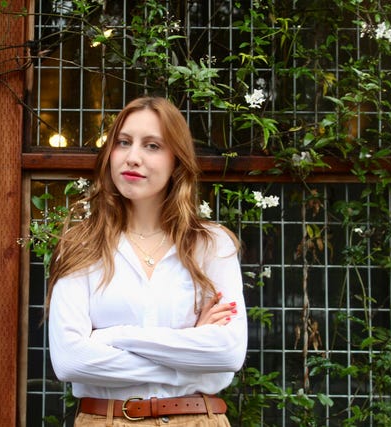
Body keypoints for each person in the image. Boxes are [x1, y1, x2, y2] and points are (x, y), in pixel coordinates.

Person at [47, 96, 247, 426]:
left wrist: (111, 337)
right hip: (107, 421)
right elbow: (70, 361)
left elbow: (227, 353)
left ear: (176, 160)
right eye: (123, 143)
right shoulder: (80, 246)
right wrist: (192, 349)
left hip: (198, 420)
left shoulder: (211, 245)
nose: (133, 158)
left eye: (152, 146)